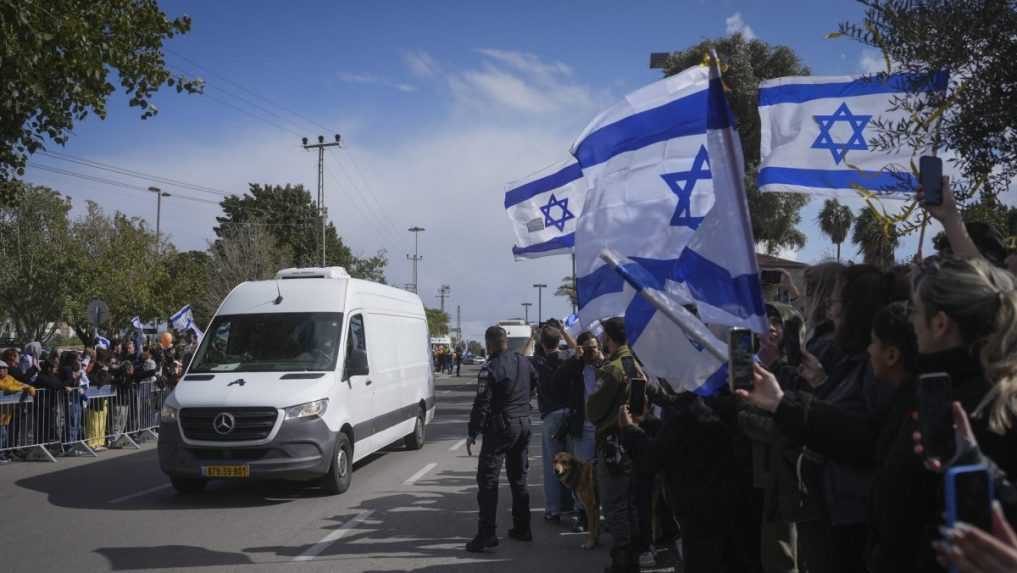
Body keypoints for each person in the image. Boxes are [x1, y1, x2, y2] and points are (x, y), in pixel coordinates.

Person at [465, 325, 537, 552]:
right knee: (518, 478)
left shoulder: (490, 367)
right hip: (523, 424)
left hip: (501, 427)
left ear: (489, 344)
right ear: (507, 341)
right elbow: (535, 383)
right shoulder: (524, 362)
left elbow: (482, 403)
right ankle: (522, 527)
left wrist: (472, 431)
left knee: (488, 480)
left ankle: (486, 534)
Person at [585, 317, 642, 573]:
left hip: (612, 443)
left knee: (614, 504)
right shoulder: (634, 362)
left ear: (608, 338)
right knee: (629, 503)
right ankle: (633, 555)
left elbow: (593, 410)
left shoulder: (613, 369)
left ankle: (623, 561)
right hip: (633, 439)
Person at [553, 331, 603, 532]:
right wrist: (576, 360)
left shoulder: (605, 365)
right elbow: (556, 383)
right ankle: (582, 514)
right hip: (583, 428)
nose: (592, 352)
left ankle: (599, 516)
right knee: (581, 477)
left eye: (595, 347)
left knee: (602, 475)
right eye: (588, 348)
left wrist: (601, 361)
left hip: (604, 428)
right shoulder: (576, 367)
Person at [530, 325, 574, 522]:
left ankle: (554, 509)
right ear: (559, 342)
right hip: (571, 415)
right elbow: (578, 350)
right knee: (571, 461)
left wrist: (532, 337)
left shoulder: (538, 361)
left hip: (550, 416)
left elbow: (521, 358)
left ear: (542, 343)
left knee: (553, 464)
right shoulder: (568, 357)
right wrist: (564, 332)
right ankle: (571, 504)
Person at [0, 360, 37, 463]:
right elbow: (7, 387)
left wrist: (29, 387)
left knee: (4, 435)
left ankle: (3, 454)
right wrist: (24, 387)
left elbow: (18, 383)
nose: (3, 370)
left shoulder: (10, 378)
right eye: (1, 368)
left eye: (5, 368)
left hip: (6, 414)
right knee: (2, 435)